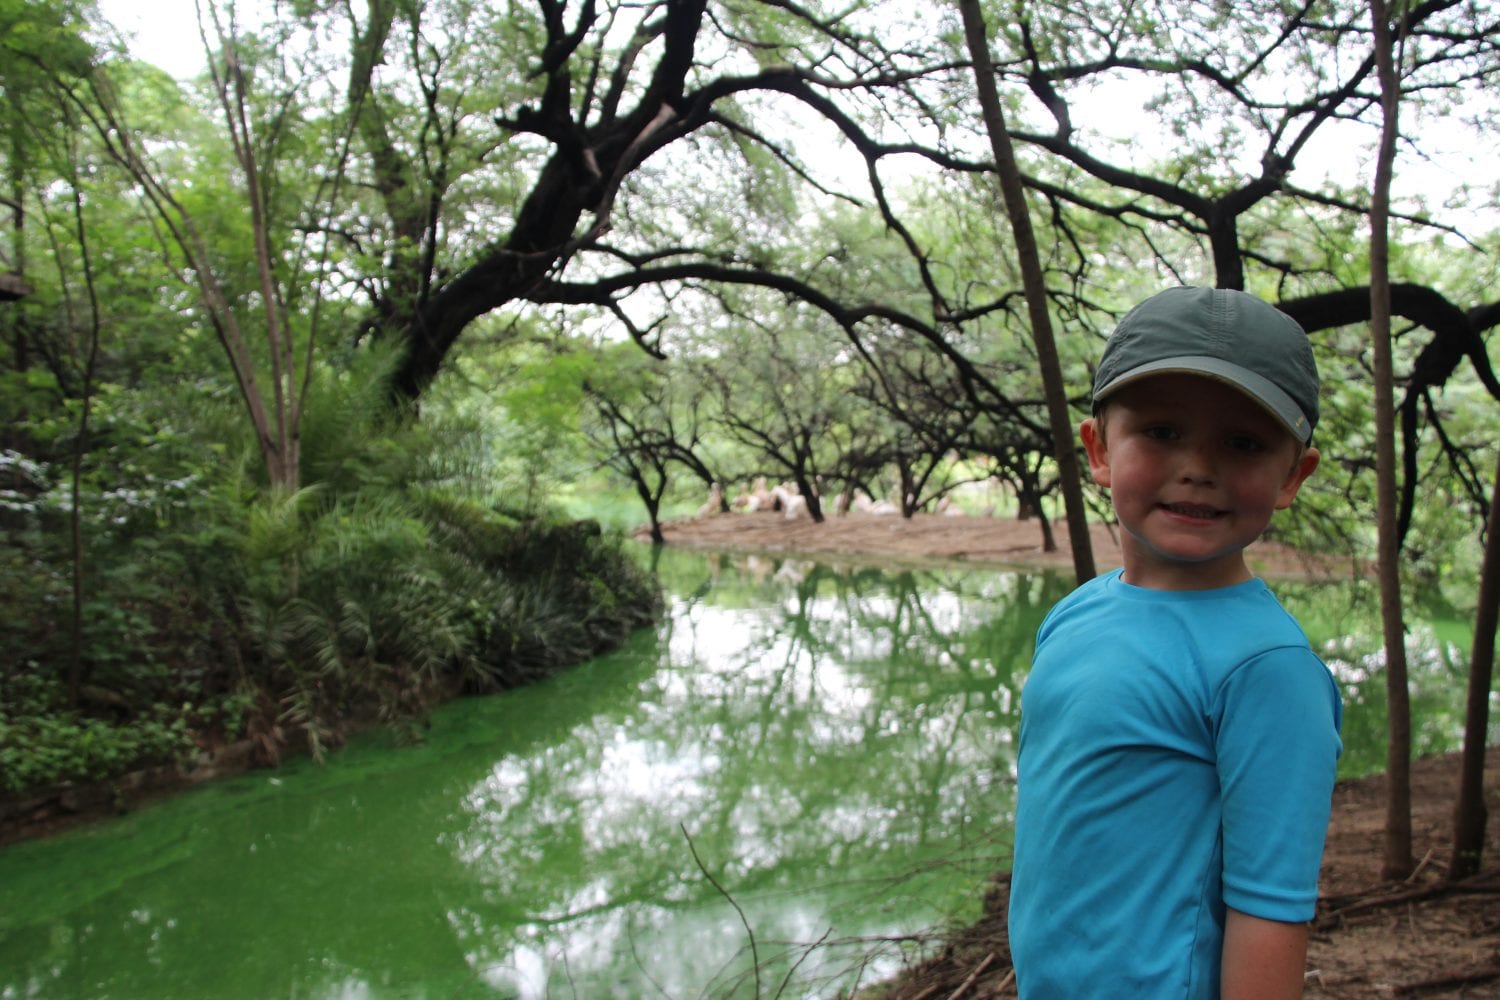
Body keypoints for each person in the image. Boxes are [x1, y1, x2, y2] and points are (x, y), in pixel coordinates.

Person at [1006, 286, 1343, 999]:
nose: (1199, 466)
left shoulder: (1267, 671)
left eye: (1244, 442)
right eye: (1161, 432)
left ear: (1292, 474)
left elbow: (1272, 909)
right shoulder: (1074, 614)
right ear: (1099, 449)